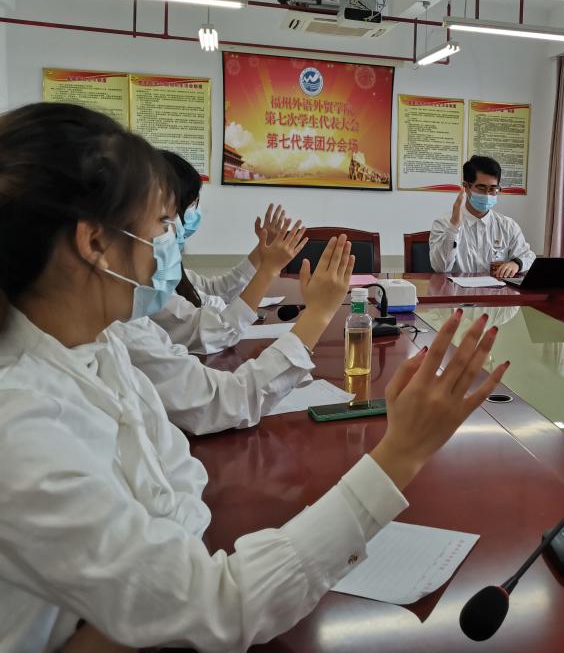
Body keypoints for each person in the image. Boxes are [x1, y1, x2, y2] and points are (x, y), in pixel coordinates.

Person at [0, 102, 509, 651]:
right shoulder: (21, 431)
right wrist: (400, 454)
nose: (170, 241)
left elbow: (179, 483)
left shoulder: (101, 345)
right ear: (95, 243)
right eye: (162, 225)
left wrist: (144, 608)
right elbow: (218, 606)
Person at [152, 150, 303, 354]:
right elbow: (217, 332)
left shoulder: (166, 265)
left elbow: (216, 290)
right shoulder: (149, 283)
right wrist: (268, 270)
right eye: (192, 203)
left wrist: (262, 250)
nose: (195, 211)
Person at [429, 155, 536, 278]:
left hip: (495, 289)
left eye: (493, 189)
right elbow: (440, 268)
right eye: (481, 188)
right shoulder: (443, 223)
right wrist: (454, 226)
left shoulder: (508, 225)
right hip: (456, 289)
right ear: (466, 187)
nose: (487, 194)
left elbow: (528, 256)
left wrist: (516, 263)